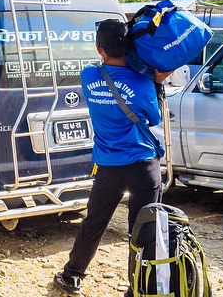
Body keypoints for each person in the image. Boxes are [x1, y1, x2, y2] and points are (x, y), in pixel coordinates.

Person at [53, 19, 171, 297]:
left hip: (108, 166)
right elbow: (153, 118)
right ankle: (138, 288)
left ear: (99, 48)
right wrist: (156, 81)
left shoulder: (89, 75)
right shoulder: (143, 83)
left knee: (94, 223)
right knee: (143, 231)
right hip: (144, 166)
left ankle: (72, 276)